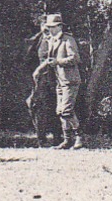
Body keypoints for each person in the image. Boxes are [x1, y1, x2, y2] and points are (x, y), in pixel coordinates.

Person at [32, 14, 84, 149]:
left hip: (70, 80)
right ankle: (67, 141)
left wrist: (58, 62)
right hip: (60, 81)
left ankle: (79, 138)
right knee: (60, 111)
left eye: (53, 27)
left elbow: (75, 58)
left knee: (67, 110)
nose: (51, 29)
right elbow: (49, 60)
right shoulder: (53, 41)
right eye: (49, 27)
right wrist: (38, 70)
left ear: (60, 26)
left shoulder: (68, 40)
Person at [25, 17, 61, 147]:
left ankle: (58, 138)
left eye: (50, 28)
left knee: (56, 108)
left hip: (56, 78)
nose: (48, 31)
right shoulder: (38, 40)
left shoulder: (58, 40)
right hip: (41, 80)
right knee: (36, 106)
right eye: (45, 28)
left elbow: (52, 58)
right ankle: (41, 139)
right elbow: (29, 57)